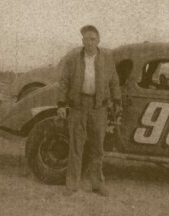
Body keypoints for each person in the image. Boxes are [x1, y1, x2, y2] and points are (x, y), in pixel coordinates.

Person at [57, 25, 121, 197]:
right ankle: (72, 185)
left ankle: (97, 184)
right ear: (82, 41)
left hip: (99, 108)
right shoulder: (73, 59)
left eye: (93, 39)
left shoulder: (107, 58)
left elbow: (114, 81)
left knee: (97, 148)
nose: (89, 42)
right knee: (76, 147)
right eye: (86, 39)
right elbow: (64, 82)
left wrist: (117, 101)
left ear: (98, 41)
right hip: (78, 107)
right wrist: (61, 104)